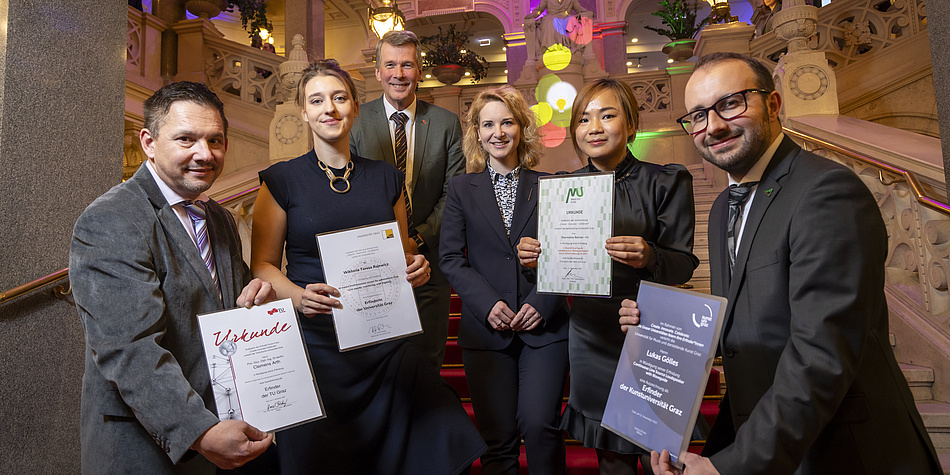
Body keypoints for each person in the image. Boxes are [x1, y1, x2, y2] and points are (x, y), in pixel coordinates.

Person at [620, 52, 942, 475]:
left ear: (773, 104)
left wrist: (730, 467)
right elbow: (748, 325)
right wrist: (662, 326)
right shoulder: (721, 209)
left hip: (845, 450)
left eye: (731, 103)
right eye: (697, 116)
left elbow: (822, 352)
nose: (712, 126)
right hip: (768, 436)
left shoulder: (826, 191)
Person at [250, 59, 485, 475]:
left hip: (380, 341)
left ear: (356, 106)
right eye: (317, 100)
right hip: (315, 343)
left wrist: (416, 267)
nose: (330, 109)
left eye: (340, 98)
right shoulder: (281, 180)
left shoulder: (387, 179)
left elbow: (404, 251)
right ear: (304, 112)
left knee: (445, 428)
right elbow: (263, 266)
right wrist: (300, 298)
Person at [70, 81, 276, 474]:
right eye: (186, 139)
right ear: (148, 142)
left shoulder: (219, 217)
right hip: (144, 444)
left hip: (216, 427)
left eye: (215, 140)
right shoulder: (111, 219)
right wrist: (200, 432)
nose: (205, 153)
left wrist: (256, 295)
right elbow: (130, 350)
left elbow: (224, 307)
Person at [518, 78, 699, 474]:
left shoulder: (666, 181)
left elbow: (683, 264)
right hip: (590, 331)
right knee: (612, 460)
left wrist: (649, 254)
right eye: (583, 119)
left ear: (631, 124)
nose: (594, 127)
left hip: (649, 326)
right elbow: (554, 272)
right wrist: (532, 259)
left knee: (659, 456)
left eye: (607, 115)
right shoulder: (562, 189)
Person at [440, 86, 570, 474]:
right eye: (488, 124)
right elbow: (450, 258)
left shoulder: (551, 185)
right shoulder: (461, 188)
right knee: (498, 440)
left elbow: (570, 255)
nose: (498, 132)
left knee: (540, 425)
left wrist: (541, 302)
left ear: (521, 127)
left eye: (507, 122)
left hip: (544, 327)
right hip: (486, 331)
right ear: (477, 133)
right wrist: (487, 304)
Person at [350, 30, 465, 370]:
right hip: (371, 265)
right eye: (390, 65)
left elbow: (453, 193)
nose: (398, 74)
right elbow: (349, 195)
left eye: (407, 65)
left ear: (419, 71)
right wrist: (388, 247)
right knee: (378, 366)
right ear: (377, 72)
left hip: (429, 264)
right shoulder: (355, 122)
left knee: (428, 364)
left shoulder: (446, 124)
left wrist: (416, 241)